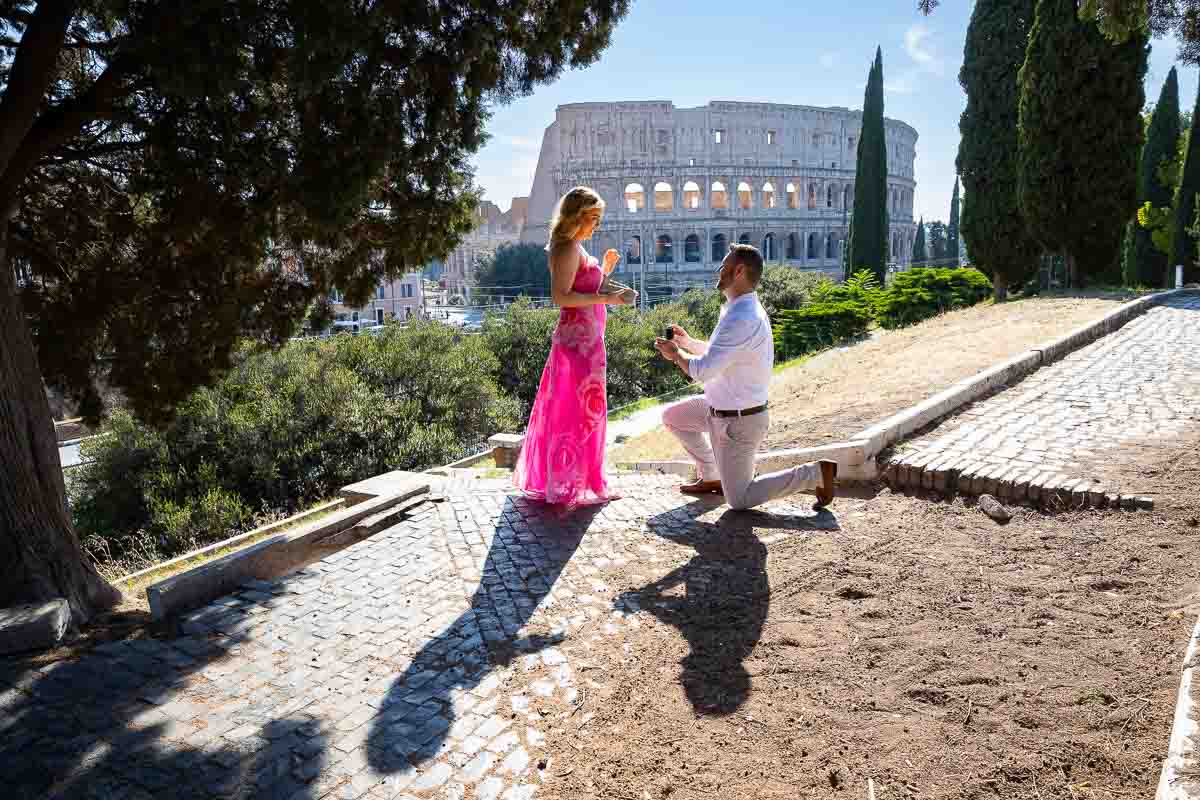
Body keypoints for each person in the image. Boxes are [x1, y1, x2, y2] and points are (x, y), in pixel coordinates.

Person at [653, 243, 837, 511]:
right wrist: (689, 343)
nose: (718, 270)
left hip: (738, 422)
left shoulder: (741, 317)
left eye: (723, 265)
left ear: (739, 271)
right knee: (673, 417)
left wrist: (676, 354)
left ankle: (815, 474)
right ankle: (711, 474)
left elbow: (702, 371)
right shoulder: (736, 309)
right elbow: (720, 357)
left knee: (739, 500)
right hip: (718, 409)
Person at [512, 187, 636, 509]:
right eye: (593, 218)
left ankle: (582, 480)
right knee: (579, 411)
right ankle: (573, 484)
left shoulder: (573, 246)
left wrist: (605, 271)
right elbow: (562, 297)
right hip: (578, 343)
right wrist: (608, 298)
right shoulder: (566, 247)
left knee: (581, 410)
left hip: (586, 339)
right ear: (577, 216)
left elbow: (582, 285)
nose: (597, 225)